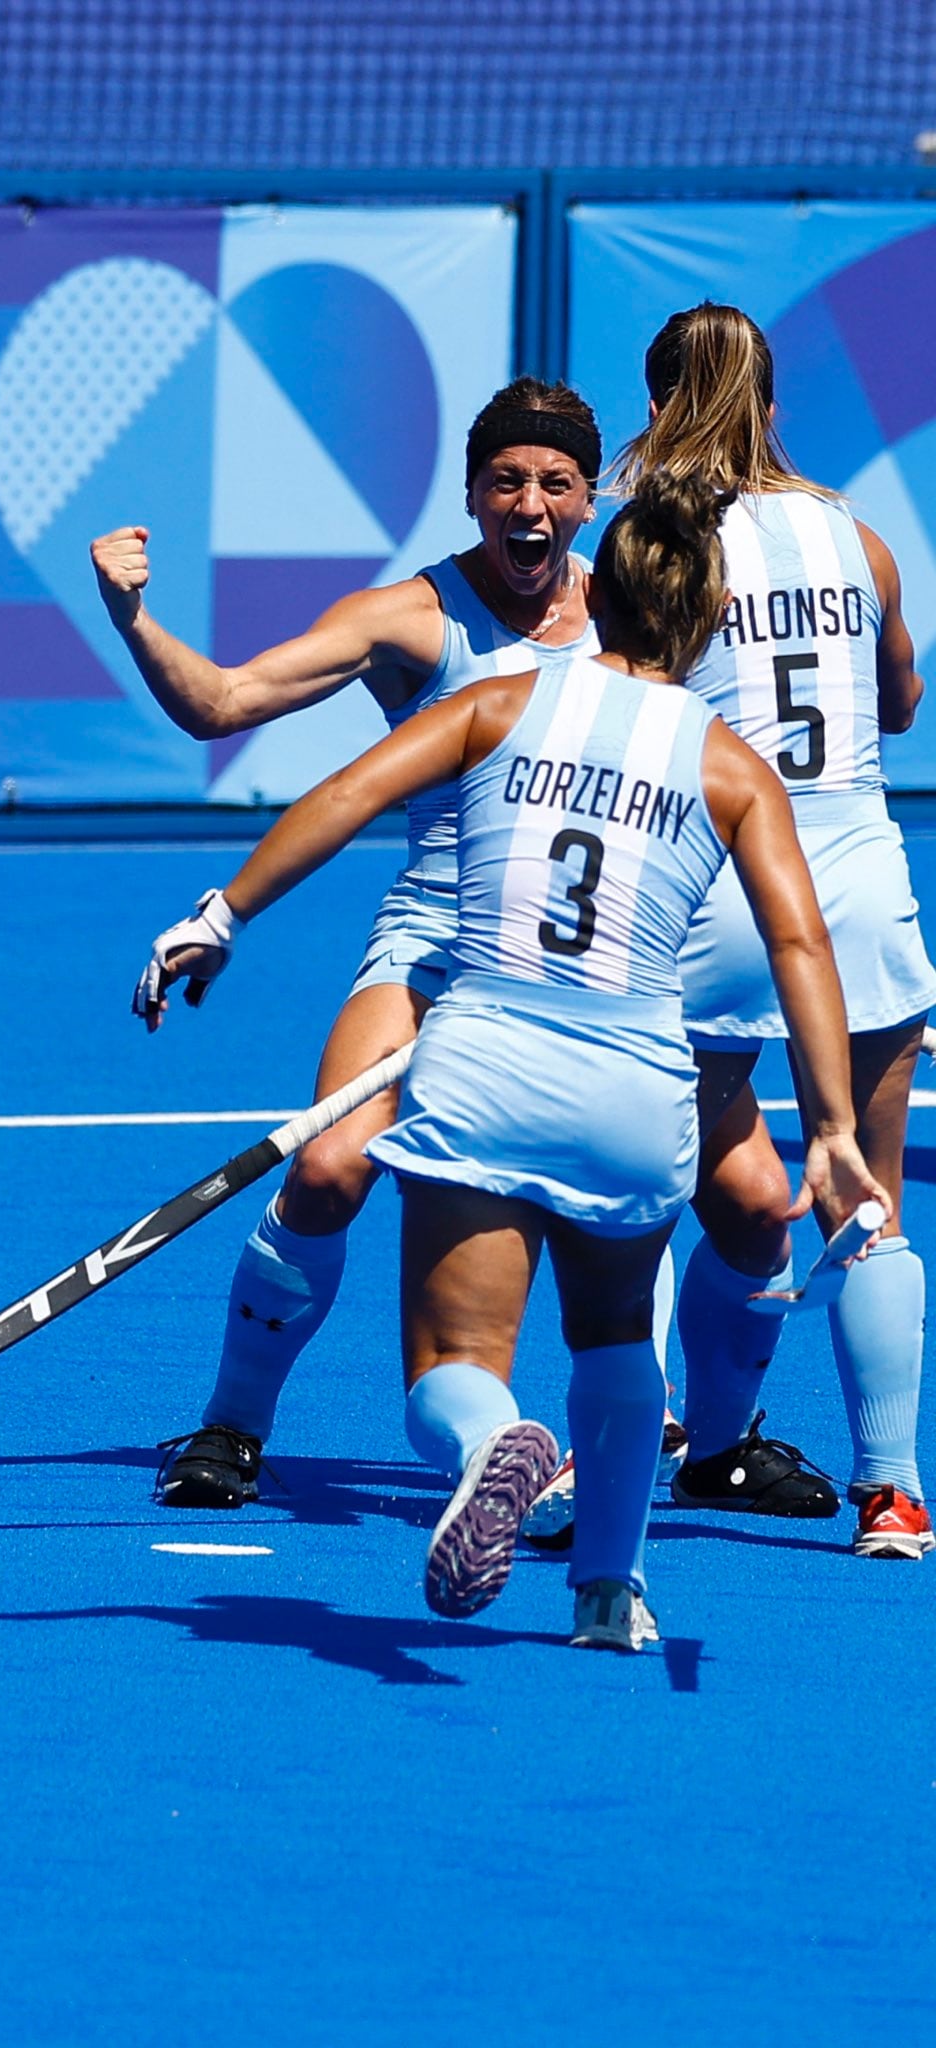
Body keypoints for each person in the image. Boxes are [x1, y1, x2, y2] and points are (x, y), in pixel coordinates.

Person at [134, 474, 883, 1648]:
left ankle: (494, 1448)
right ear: (699, 623)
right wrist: (832, 1131)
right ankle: (606, 1591)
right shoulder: (730, 765)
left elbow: (343, 795)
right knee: (614, 1340)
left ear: (604, 600)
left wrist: (219, 914)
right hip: (638, 1085)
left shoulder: (498, 704)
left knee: (454, 1361)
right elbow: (795, 937)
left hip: (485, 1061)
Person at [92, 378, 621, 1512]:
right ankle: (232, 1423)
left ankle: (640, 1442)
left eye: (553, 483)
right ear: (473, 492)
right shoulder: (409, 618)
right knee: (328, 1167)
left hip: (586, 961)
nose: (527, 505)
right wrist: (131, 618)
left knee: (608, 1195)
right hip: (437, 940)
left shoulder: (636, 615)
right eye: (505, 481)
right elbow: (222, 703)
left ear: (589, 497)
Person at [618, 303, 935, 1559]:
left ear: (655, 409)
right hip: (855, 883)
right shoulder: (856, 539)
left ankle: (627, 1437)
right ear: (771, 405)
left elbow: (618, 711)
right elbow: (900, 700)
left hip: (718, 887)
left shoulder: (651, 541)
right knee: (866, 1192)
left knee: (642, 1186)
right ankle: (890, 1494)